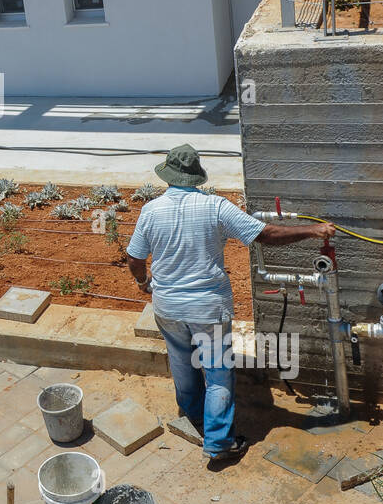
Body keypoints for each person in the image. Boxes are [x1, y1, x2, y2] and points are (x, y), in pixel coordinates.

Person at [125, 144, 334, 466]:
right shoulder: (216, 207)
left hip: (167, 306)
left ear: (167, 176)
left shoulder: (151, 210)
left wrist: (143, 283)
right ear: (196, 177)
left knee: (182, 363)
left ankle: (195, 415)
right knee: (218, 374)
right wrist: (313, 229)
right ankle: (219, 441)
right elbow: (266, 234)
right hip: (207, 308)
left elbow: (135, 257)